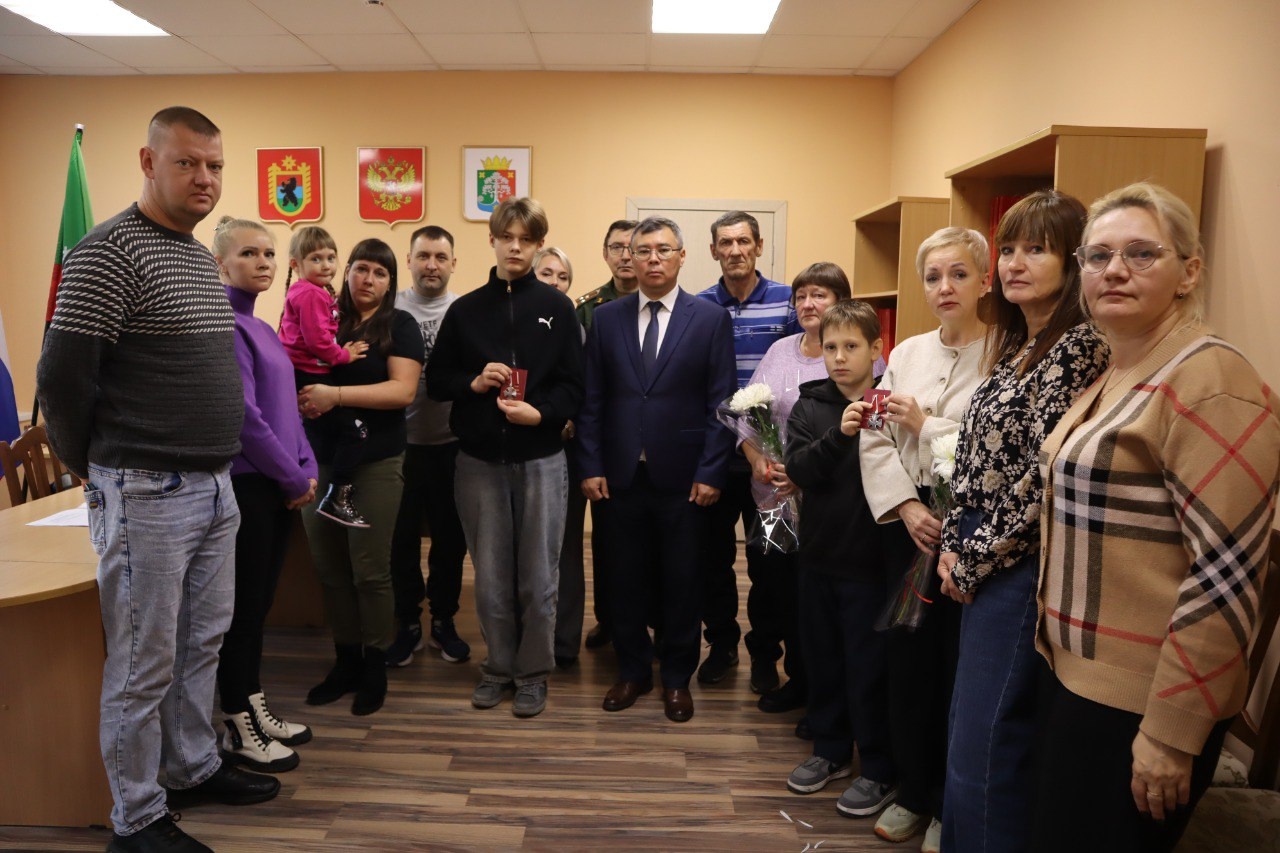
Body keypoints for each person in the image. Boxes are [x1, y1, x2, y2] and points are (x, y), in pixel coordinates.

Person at [36, 106, 278, 853]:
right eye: (187, 163)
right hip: (145, 489)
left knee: (202, 641)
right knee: (144, 664)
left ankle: (191, 765)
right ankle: (136, 818)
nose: (204, 178)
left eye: (215, 165)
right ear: (148, 162)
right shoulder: (108, 253)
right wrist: (95, 470)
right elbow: (61, 381)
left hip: (213, 486)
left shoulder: (196, 255)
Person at [1033, 183, 1280, 851]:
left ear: (1189, 272)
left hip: (1141, 701)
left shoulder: (1213, 380)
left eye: (1142, 253)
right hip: (1081, 679)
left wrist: (1172, 733)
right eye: (1099, 255)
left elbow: (1227, 574)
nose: (1114, 270)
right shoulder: (1125, 364)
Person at [935, 190, 1109, 853]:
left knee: (986, 745)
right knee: (966, 729)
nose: (1013, 263)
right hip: (979, 544)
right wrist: (951, 540)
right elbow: (975, 461)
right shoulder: (1022, 343)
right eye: (1007, 248)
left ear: (1074, 260)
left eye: (1036, 249)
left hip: (1016, 562)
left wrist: (973, 557)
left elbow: (1043, 478)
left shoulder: (1078, 346)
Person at [425, 197, 584, 718]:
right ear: (492, 240)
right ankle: (498, 666)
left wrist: (541, 415)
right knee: (491, 576)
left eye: (526, 240)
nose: (515, 248)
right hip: (478, 462)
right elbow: (438, 379)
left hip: (542, 459)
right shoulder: (465, 310)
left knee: (538, 576)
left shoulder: (559, 308)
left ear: (539, 245)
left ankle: (533, 673)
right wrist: (472, 383)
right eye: (507, 238)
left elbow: (575, 385)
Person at [858, 227, 990, 851]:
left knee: (958, 669)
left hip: (971, 533)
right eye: (934, 276)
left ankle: (946, 804)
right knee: (906, 663)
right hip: (909, 532)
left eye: (959, 274)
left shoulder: (1008, 355)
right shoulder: (906, 353)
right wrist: (907, 506)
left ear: (985, 280)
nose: (945, 287)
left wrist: (927, 423)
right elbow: (875, 435)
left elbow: (999, 451)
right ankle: (912, 791)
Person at [577, 216, 737, 723]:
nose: (651, 258)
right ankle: (632, 671)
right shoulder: (607, 318)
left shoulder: (709, 319)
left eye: (663, 250)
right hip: (618, 477)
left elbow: (722, 404)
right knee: (623, 579)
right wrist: (590, 463)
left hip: (685, 479)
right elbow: (592, 401)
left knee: (682, 581)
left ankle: (676, 678)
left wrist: (711, 472)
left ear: (682, 257)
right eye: (642, 250)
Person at [782, 300, 899, 820]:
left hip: (872, 565)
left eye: (851, 346)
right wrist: (840, 434)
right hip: (819, 558)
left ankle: (877, 766)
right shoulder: (811, 405)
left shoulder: (891, 402)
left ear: (876, 349)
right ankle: (830, 750)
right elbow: (800, 470)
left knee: (868, 668)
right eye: (830, 347)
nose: (839, 357)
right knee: (823, 660)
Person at [297, 239, 424, 718]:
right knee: (329, 570)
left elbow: (402, 391)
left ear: (391, 282)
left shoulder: (399, 325)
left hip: (375, 465)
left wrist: (334, 396)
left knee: (369, 571)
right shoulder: (324, 317)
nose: (368, 279)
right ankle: (345, 660)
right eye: (361, 268)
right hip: (319, 462)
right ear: (346, 270)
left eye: (380, 272)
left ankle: (375, 665)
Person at [212, 216, 317, 774]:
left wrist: (307, 464)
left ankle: (253, 705)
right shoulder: (227, 327)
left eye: (270, 253)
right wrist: (291, 477)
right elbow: (246, 420)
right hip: (251, 486)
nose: (263, 262)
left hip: (276, 483)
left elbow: (289, 410)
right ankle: (237, 723)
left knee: (259, 608)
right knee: (243, 612)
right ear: (220, 264)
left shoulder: (262, 327)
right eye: (249, 253)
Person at [739, 262, 851, 713]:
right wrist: (756, 458)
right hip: (773, 501)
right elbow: (747, 415)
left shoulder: (851, 353)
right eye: (801, 295)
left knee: (817, 596)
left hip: (828, 503)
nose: (808, 303)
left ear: (841, 301)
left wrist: (805, 474)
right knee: (774, 586)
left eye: (820, 295)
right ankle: (781, 670)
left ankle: (815, 686)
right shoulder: (779, 350)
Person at [696, 210, 800, 686]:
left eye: (743, 241)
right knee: (712, 561)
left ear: (758, 246)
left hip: (771, 465)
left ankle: (764, 652)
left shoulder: (787, 303)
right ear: (713, 250)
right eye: (725, 242)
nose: (735, 250)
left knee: (770, 560)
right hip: (717, 461)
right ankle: (721, 645)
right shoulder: (698, 307)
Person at [386, 225, 471, 667]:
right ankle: (407, 622)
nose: (431, 265)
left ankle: (443, 619)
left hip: (452, 445)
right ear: (409, 261)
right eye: (423, 256)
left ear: (453, 263)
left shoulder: (465, 311)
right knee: (399, 540)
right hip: (398, 446)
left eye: (440, 257)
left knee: (450, 540)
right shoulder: (389, 308)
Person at [573, 219, 640, 652]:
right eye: (617, 247)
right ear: (605, 254)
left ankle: (646, 618)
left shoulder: (665, 305)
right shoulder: (588, 309)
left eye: (633, 247)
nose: (626, 255)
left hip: (649, 438)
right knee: (607, 540)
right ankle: (608, 619)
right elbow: (581, 382)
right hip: (606, 438)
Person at [278, 226, 370, 527]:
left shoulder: (312, 291)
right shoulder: (310, 293)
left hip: (306, 371)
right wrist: (344, 355)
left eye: (331, 257)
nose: (326, 265)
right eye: (316, 259)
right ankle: (337, 496)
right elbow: (317, 341)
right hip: (309, 373)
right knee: (356, 431)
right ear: (296, 264)